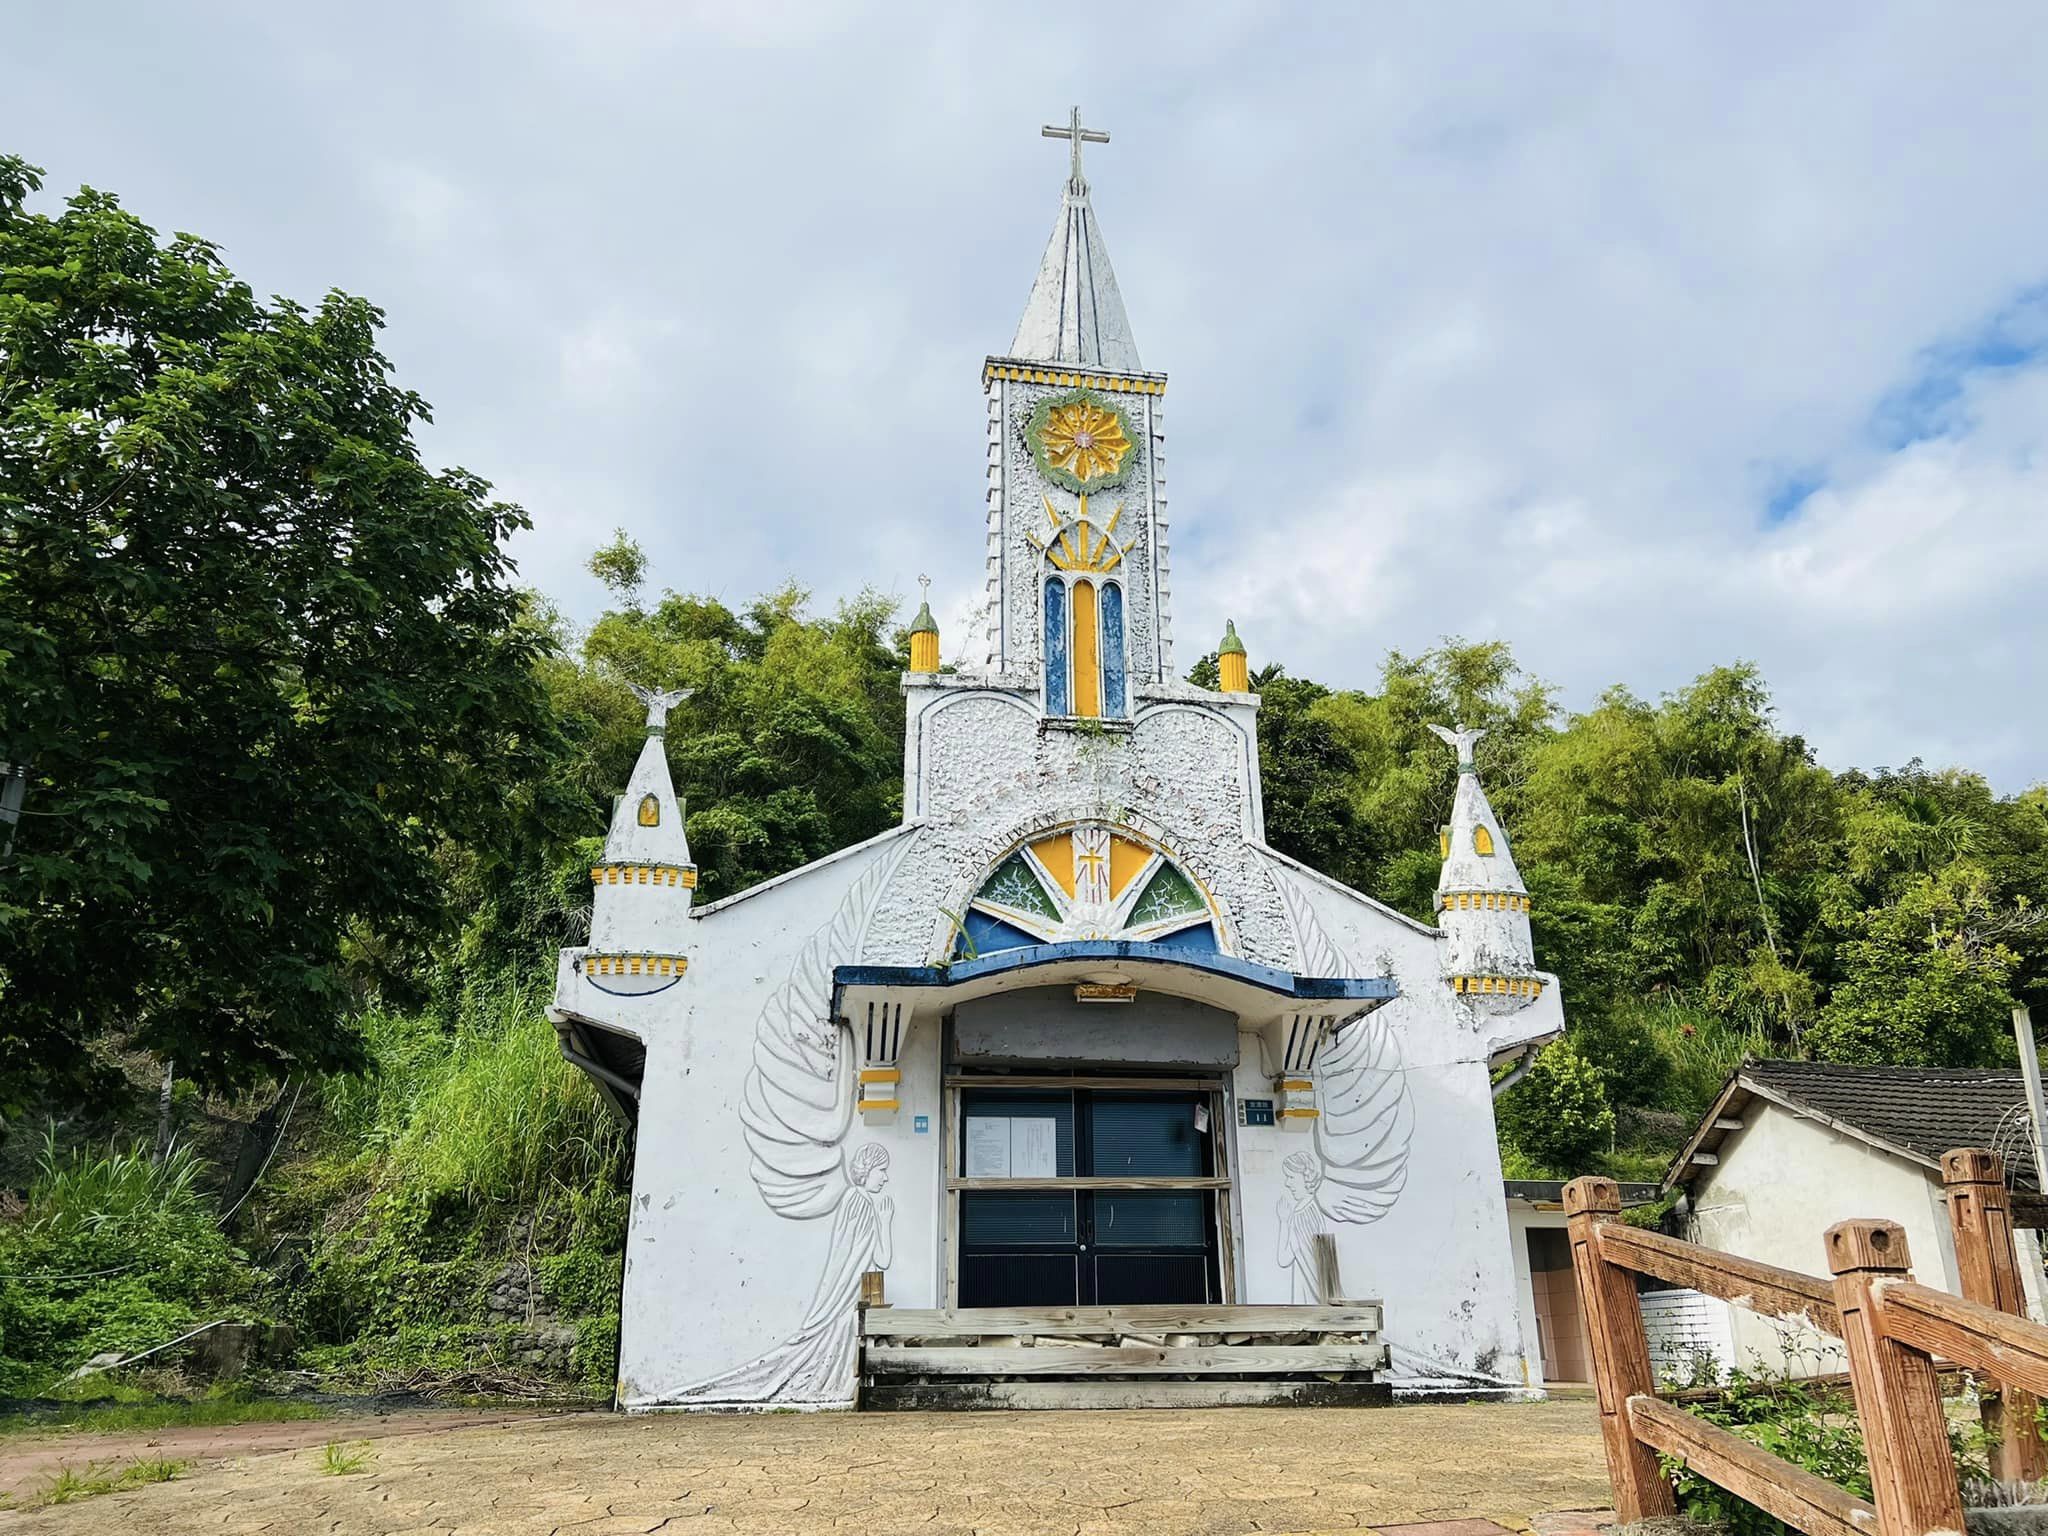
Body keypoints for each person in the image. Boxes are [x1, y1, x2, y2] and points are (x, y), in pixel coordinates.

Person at [677, 1143, 893, 1403]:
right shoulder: (860, 1203)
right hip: (847, 1296)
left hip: (850, 1296)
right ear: (867, 1170)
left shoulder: (856, 1201)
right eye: (881, 1170)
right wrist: (885, 1222)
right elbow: (876, 1257)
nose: (885, 1177)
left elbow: (868, 1257)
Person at [1277, 1150, 1332, 1303]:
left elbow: (1284, 1259)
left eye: (1291, 1177)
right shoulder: (1312, 1209)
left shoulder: (1302, 1215)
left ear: (1305, 1178)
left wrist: (1283, 1222)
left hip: (1309, 1304)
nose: (1287, 1183)